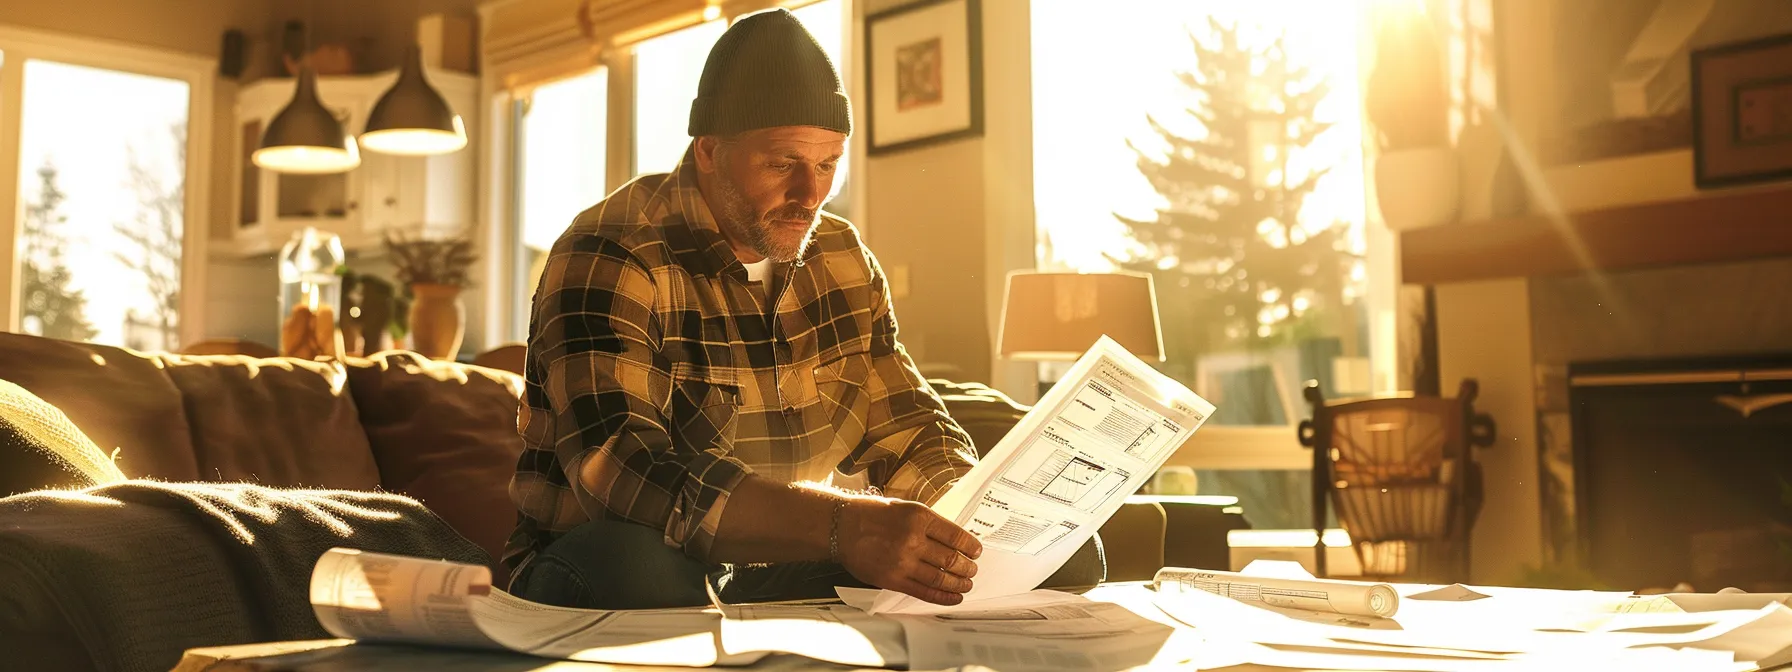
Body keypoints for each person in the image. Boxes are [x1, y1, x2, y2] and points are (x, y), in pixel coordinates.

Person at [503, 8, 987, 610]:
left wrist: (972, 521)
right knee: (631, 562)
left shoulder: (839, 256)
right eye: (783, 164)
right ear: (709, 150)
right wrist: (845, 525)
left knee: (1053, 558)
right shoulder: (611, 251)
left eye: (827, 165)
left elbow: (908, 426)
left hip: (787, 560)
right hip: (622, 559)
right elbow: (618, 472)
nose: (809, 196)